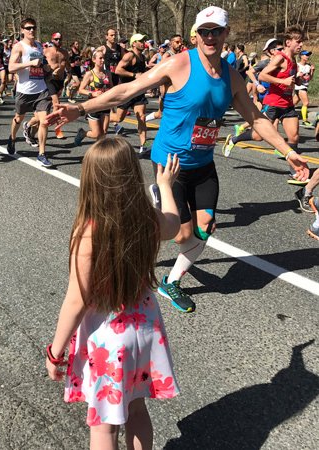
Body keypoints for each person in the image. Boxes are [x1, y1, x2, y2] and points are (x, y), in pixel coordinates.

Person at [45, 6, 309, 313]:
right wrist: (80, 109)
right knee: (179, 232)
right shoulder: (177, 65)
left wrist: (289, 153)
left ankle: (170, 281)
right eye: (204, 31)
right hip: (170, 165)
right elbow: (127, 90)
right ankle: (130, 242)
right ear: (196, 34)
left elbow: (257, 118)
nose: (210, 37)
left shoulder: (232, 78)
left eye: (217, 31)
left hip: (203, 165)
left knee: (206, 224)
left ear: (225, 34)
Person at [46, 137, 181, 450]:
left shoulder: (89, 231)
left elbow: (77, 300)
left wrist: (56, 351)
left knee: (105, 424)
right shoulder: (146, 219)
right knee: (136, 409)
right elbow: (174, 226)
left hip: (109, 339)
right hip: (146, 328)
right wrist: (165, 185)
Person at [224, 26, 306, 185]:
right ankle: (235, 139)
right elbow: (262, 75)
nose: (301, 45)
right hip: (273, 103)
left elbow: (290, 79)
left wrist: (299, 80)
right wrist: (283, 81)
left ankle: (295, 171)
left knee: (294, 136)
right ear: (288, 42)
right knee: (258, 136)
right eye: (299, 41)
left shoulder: (294, 60)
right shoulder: (279, 58)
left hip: (287, 104)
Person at [8, 17, 53, 167]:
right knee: (18, 119)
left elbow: (42, 64)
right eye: (28, 28)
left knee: (44, 121)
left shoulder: (39, 46)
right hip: (24, 91)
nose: (31, 30)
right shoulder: (19, 47)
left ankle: (41, 154)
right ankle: (12, 138)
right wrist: (29, 63)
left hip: (41, 90)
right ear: (22, 31)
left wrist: (46, 67)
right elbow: (11, 68)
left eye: (33, 27)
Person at [112, 33, 150, 154]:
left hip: (138, 92)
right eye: (140, 41)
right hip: (127, 91)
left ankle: (144, 145)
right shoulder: (129, 55)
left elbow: (142, 72)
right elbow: (118, 70)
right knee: (119, 118)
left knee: (142, 117)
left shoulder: (143, 57)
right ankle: (101, 115)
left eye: (144, 40)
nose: (143, 43)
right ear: (134, 43)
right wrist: (134, 75)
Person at [74, 49, 113, 145]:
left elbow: (112, 88)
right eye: (100, 58)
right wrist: (92, 94)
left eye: (103, 58)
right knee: (96, 134)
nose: (102, 60)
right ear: (94, 60)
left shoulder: (108, 73)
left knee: (103, 133)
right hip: (94, 106)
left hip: (105, 105)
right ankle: (83, 133)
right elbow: (81, 90)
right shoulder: (89, 74)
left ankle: (100, 156)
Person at [44, 32, 69, 139]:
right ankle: (58, 129)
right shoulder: (46, 51)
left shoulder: (65, 53)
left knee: (48, 107)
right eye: (56, 39)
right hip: (49, 80)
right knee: (56, 104)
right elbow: (41, 64)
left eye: (60, 39)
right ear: (52, 39)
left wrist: (69, 77)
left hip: (60, 81)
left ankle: (34, 124)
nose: (58, 41)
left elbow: (68, 66)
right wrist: (49, 70)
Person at [294, 50, 314, 127]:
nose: (307, 56)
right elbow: (294, 76)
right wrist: (299, 75)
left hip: (305, 86)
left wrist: (312, 71)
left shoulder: (308, 66)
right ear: (301, 56)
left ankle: (281, 113)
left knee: (293, 103)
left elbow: (309, 78)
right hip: (299, 86)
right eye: (306, 55)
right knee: (306, 103)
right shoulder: (297, 65)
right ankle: (305, 120)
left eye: (308, 55)